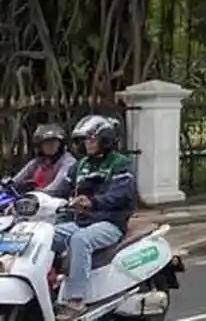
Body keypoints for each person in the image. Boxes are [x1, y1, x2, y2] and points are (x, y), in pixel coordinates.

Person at [52, 115, 136, 320]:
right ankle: (50, 287)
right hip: (81, 221)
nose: (87, 143)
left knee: (79, 240)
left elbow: (121, 195)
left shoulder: (119, 164)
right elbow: (59, 190)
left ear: (105, 140)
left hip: (109, 223)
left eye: (92, 139)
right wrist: (30, 199)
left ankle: (75, 302)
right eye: (85, 139)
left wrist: (93, 202)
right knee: (47, 235)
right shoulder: (80, 165)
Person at [10, 123, 75, 195]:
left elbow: (56, 186)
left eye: (54, 141)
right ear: (40, 146)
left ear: (60, 144)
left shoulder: (68, 161)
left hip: (57, 201)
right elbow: (16, 180)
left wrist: (38, 192)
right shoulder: (37, 162)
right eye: (46, 142)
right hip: (33, 200)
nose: (51, 145)